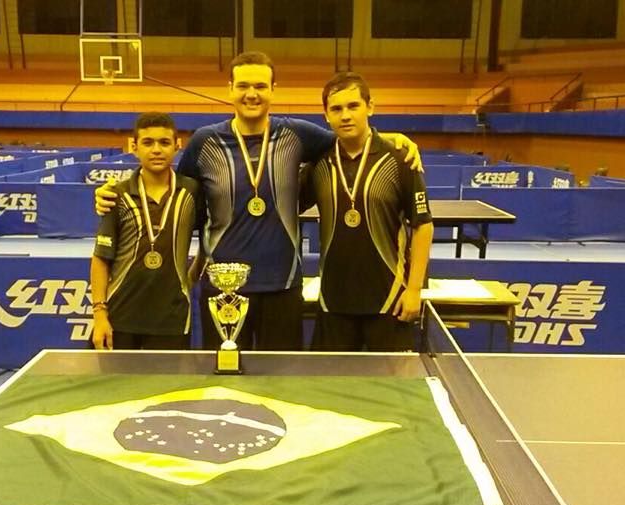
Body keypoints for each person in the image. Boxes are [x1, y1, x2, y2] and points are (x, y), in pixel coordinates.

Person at [95, 52, 423, 351]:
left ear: (273, 90)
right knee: (222, 384)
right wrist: (113, 191)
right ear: (230, 89)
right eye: (243, 86)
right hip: (221, 289)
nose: (251, 94)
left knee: (278, 383)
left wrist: (394, 139)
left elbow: (350, 137)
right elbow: (173, 191)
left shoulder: (297, 134)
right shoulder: (205, 142)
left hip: (282, 286)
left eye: (260, 86)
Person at [303, 72, 434, 352]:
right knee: (326, 380)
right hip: (333, 302)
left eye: (353, 106)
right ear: (326, 115)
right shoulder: (319, 163)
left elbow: (423, 225)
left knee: (391, 381)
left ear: (370, 107)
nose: (345, 115)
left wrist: (414, 290)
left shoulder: (400, 158)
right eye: (336, 109)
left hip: (389, 299)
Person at [90, 112, 203, 350]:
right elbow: (101, 258)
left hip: (172, 318)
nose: (156, 150)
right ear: (134, 147)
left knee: (167, 377)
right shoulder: (116, 195)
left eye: (164, 142)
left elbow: (211, 235)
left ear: (177, 146)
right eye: (148, 142)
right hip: (120, 315)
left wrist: (191, 277)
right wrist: (99, 314)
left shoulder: (192, 191)